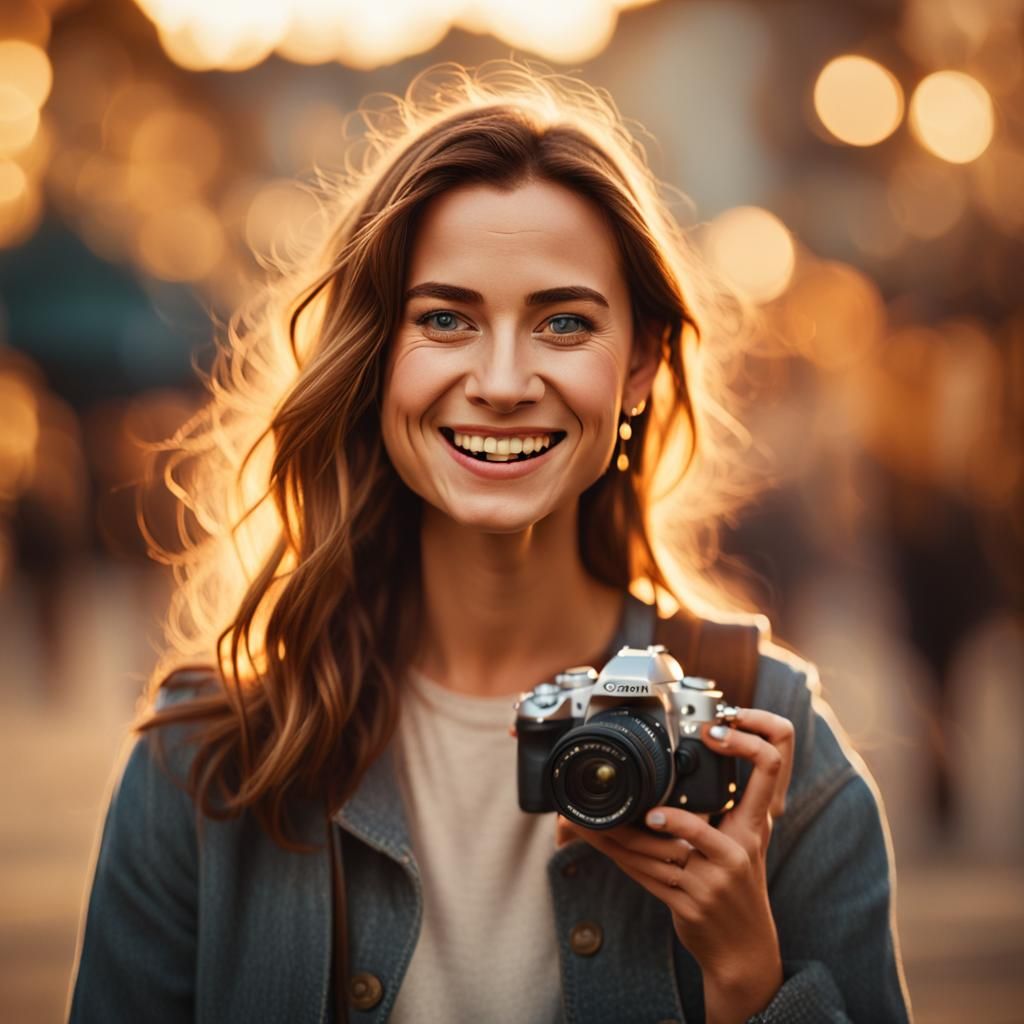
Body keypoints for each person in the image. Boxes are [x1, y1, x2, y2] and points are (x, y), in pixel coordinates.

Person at [67, 61, 911, 1023]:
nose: (504, 380)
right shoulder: (208, 763)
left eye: (563, 322)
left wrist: (749, 984)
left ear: (639, 361)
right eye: (445, 319)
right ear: (376, 355)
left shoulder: (770, 745)